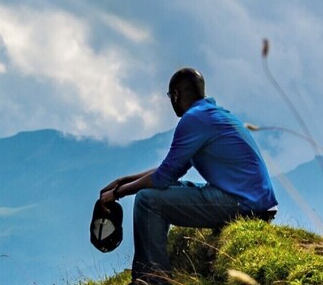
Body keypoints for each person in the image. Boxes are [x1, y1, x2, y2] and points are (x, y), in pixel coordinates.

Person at [98, 67, 278, 284]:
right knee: (171, 188)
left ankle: (152, 280)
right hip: (255, 202)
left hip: (244, 205)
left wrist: (119, 193)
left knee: (147, 201)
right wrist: (122, 182)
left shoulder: (193, 120)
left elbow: (161, 177)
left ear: (175, 95)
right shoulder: (211, 114)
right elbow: (169, 170)